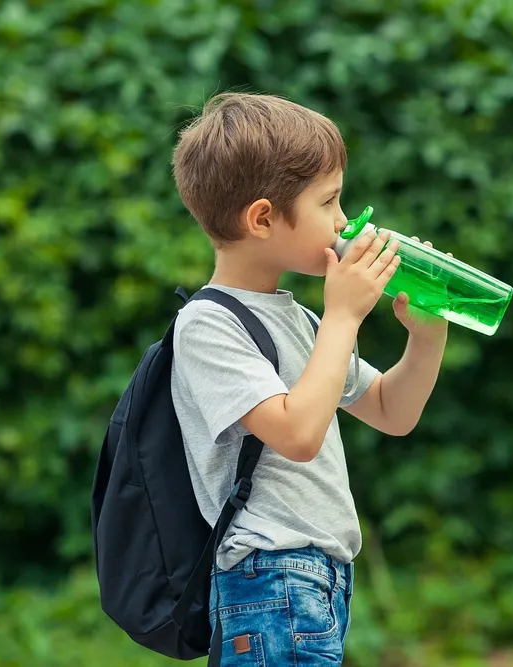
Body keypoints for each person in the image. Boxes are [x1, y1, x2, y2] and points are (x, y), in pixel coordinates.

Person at [170, 92, 448, 665]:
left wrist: (426, 334)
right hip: (270, 577)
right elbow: (297, 435)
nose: (345, 222)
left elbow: (392, 412)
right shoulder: (207, 324)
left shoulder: (300, 319)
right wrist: (345, 316)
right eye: (330, 202)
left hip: (318, 579)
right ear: (264, 218)